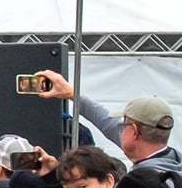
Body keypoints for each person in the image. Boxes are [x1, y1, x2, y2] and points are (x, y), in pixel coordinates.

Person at [36, 75, 182, 176]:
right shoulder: (174, 159)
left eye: (123, 126)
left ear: (134, 131)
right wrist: (71, 93)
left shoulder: (141, 182)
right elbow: (105, 121)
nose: (118, 129)